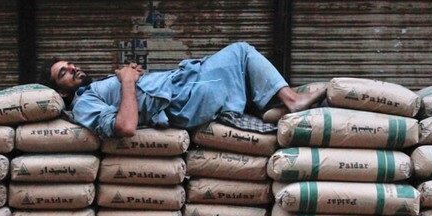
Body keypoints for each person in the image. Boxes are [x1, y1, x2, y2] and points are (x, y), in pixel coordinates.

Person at [38, 42, 321, 138]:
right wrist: (127, 81)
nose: (73, 69)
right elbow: (124, 127)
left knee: (239, 70)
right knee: (241, 53)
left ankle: (272, 111)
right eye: (63, 72)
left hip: (185, 87)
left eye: (70, 64)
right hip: (183, 97)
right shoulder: (84, 103)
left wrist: (135, 79)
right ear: (61, 93)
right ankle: (292, 101)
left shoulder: (95, 89)